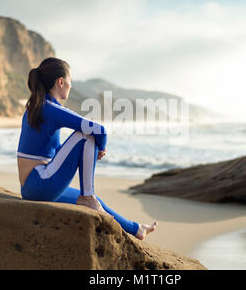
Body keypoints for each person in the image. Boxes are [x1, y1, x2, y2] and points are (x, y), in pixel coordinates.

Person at [16, 57, 157, 240]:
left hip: (30, 188)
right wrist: (101, 147)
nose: (71, 86)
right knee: (86, 135)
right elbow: (98, 130)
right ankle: (88, 195)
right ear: (61, 82)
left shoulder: (35, 107)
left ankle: (136, 229)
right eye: (70, 81)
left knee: (94, 201)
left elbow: (51, 149)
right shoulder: (49, 108)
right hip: (41, 183)